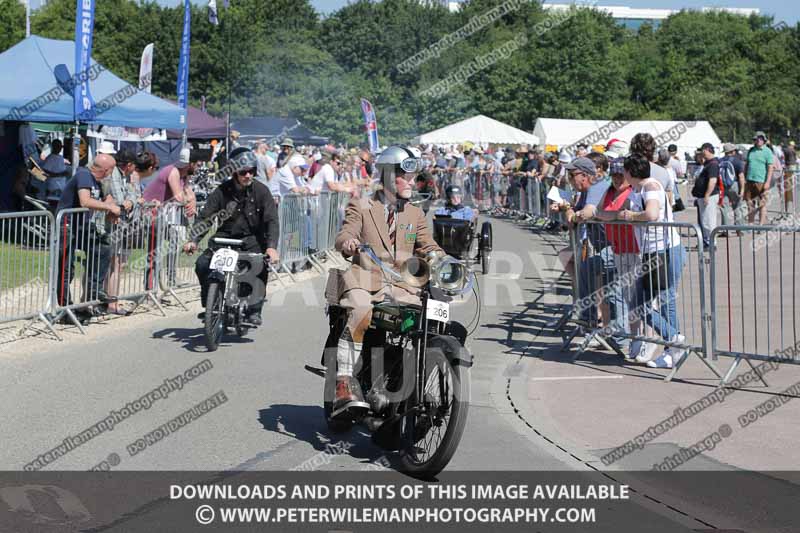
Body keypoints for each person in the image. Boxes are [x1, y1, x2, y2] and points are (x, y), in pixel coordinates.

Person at [329, 145, 443, 419]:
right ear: (390, 176)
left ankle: (410, 381)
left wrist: (439, 257)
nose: (413, 183)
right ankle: (344, 384)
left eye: (415, 177)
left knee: (430, 318)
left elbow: (427, 245)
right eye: (407, 176)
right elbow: (346, 233)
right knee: (360, 309)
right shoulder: (362, 205)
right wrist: (350, 242)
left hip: (402, 286)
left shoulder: (414, 213)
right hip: (365, 279)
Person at [183, 147, 279, 326]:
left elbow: (272, 220)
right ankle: (211, 305)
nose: (248, 175)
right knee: (202, 264)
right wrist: (193, 240)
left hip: (252, 240)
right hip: (224, 238)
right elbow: (206, 217)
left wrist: (271, 246)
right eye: (243, 172)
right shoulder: (222, 191)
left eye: (251, 171)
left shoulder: (262, 191)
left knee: (259, 266)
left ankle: (254, 309)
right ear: (234, 171)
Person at [617, 153, 687, 368]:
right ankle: (673, 347)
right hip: (653, 251)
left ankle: (673, 340)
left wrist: (630, 216)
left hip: (663, 250)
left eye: (624, 171)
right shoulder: (640, 188)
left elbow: (652, 214)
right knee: (658, 301)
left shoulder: (650, 186)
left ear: (630, 172)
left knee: (647, 303)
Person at [55, 154, 120, 322]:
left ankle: (94, 291)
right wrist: (108, 206)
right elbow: (85, 201)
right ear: (106, 170)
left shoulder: (97, 180)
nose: (111, 174)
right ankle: (65, 310)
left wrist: (111, 207)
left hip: (81, 226)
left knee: (103, 248)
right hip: (67, 226)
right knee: (65, 268)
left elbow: (106, 196)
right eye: (111, 170)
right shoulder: (84, 174)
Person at [691, 143, 720, 248]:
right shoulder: (708, 163)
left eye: (703, 151)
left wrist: (707, 195)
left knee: (709, 221)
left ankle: (711, 243)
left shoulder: (713, 164)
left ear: (707, 150)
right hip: (703, 196)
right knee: (704, 220)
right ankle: (707, 241)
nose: (702, 153)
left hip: (709, 196)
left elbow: (712, 181)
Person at [744, 131, 774, 225]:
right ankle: (751, 224)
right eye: (755, 139)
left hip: (761, 181)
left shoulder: (767, 151)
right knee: (750, 203)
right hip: (750, 180)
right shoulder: (751, 150)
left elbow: (770, 168)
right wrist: (745, 178)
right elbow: (747, 164)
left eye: (759, 139)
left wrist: (767, 182)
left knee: (762, 204)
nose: (757, 140)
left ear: (763, 140)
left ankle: (761, 225)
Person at [719, 143, 746, 229]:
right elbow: (741, 177)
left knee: (724, 208)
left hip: (722, 185)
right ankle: (739, 229)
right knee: (737, 207)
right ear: (733, 151)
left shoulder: (720, 161)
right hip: (734, 184)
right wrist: (742, 190)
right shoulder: (737, 161)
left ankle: (726, 230)